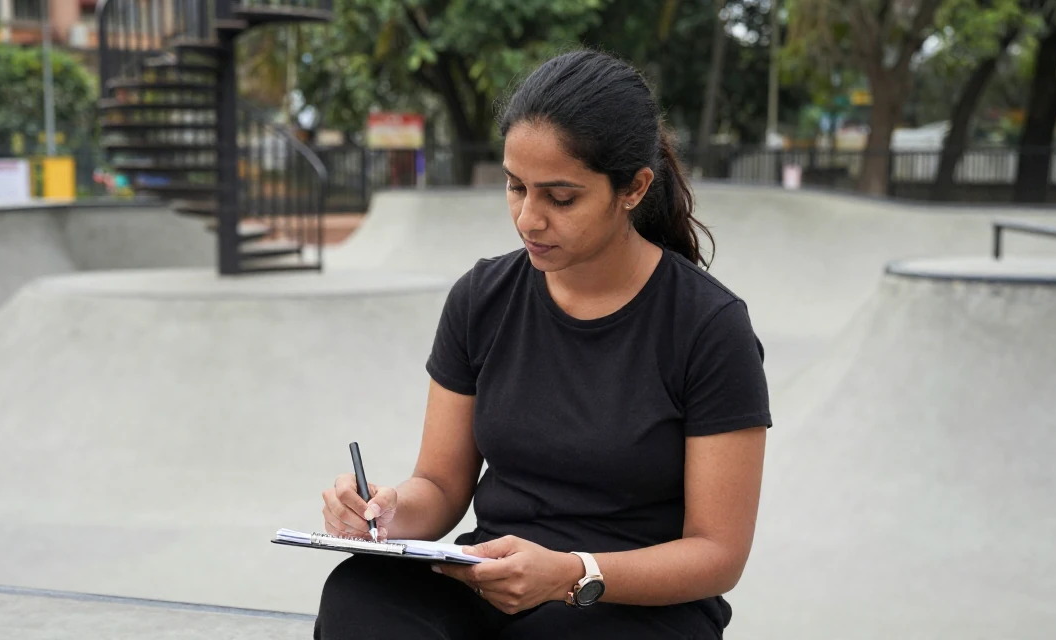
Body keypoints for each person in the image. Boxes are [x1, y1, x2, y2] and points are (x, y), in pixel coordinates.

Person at [313, 49, 771, 640]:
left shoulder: (709, 326)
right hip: (491, 578)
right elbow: (443, 486)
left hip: (629, 599)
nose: (528, 218)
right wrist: (388, 511)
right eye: (515, 187)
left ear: (633, 188)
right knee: (359, 596)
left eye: (560, 197)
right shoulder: (482, 298)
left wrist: (572, 574)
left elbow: (718, 553)